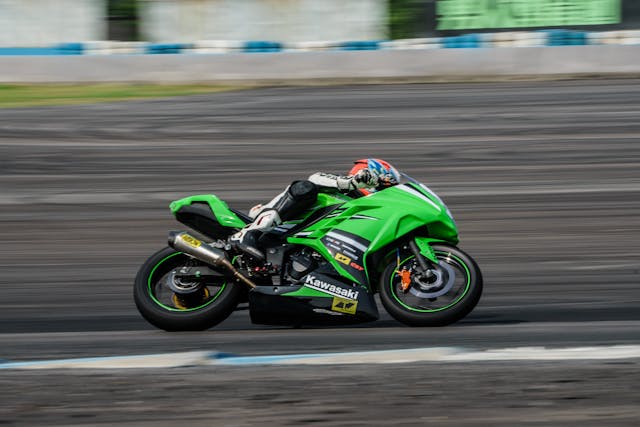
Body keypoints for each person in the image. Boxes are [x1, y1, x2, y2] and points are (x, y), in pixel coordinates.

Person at [230, 158, 401, 260]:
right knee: (306, 187)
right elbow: (315, 177)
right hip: (270, 223)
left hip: (293, 244)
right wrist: (349, 182)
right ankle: (249, 233)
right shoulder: (341, 189)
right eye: (385, 187)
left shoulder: (360, 208)